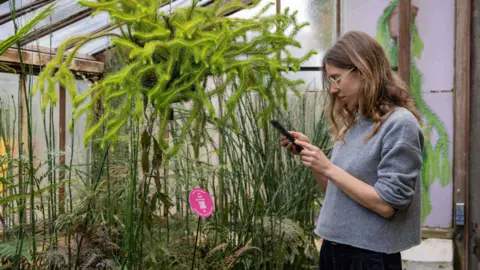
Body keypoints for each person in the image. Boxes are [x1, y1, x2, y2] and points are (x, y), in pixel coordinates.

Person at [280, 30, 424, 269]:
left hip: (369, 257)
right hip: (335, 249)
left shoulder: (401, 124)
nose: (333, 89)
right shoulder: (356, 123)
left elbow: (387, 205)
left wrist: (328, 167)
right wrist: (316, 161)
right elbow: (337, 192)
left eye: (336, 78)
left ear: (363, 70)